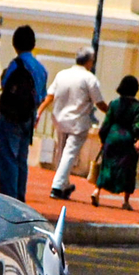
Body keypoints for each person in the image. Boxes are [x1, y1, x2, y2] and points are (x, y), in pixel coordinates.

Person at [0, 26, 49, 203]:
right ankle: (19, 197)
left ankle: (8, 198)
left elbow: (5, 84)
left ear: (15, 43)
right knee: (21, 159)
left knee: (7, 157)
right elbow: (41, 95)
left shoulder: (16, 65)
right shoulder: (41, 69)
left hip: (11, 116)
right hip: (28, 117)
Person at [45, 48, 105, 200]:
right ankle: (58, 186)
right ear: (89, 61)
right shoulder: (89, 78)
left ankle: (63, 184)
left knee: (61, 152)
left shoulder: (62, 74)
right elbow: (99, 102)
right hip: (78, 122)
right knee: (69, 153)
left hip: (60, 119)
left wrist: (40, 111)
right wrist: (111, 112)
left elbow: (50, 95)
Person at [92, 75, 139, 210]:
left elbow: (106, 124)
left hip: (112, 137)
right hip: (127, 140)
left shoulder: (114, 104)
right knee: (128, 170)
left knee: (106, 166)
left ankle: (97, 191)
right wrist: (138, 139)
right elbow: (138, 125)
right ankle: (126, 201)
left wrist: (103, 139)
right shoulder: (138, 107)